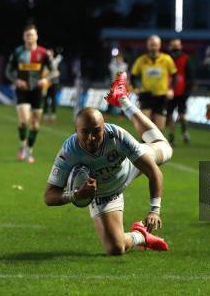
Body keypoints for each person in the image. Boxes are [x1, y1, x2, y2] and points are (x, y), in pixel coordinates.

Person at [44, 72, 173, 255]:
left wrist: (154, 210)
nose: (91, 138)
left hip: (129, 167)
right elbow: (49, 196)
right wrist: (76, 195)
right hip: (104, 193)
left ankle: (123, 100)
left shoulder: (117, 136)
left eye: (97, 131)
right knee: (115, 249)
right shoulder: (68, 152)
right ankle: (141, 235)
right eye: (85, 132)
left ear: (104, 128)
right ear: (76, 132)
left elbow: (154, 172)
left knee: (166, 150)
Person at [5, 24, 53, 163]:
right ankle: (22, 146)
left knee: (35, 124)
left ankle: (29, 151)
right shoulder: (18, 52)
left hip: (37, 91)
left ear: (36, 36)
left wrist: (46, 79)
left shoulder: (44, 53)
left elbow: (55, 71)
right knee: (24, 121)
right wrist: (16, 81)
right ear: (23, 37)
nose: (29, 37)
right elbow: (8, 71)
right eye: (27, 35)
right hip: (22, 91)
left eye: (32, 35)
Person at [131, 35, 177, 131]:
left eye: (155, 45)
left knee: (159, 127)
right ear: (148, 46)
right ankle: (144, 144)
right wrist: (135, 87)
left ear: (159, 46)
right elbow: (133, 76)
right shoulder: (141, 60)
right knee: (144, 124)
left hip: (162, 95)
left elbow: (174, 75)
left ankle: (155, 145)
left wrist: (171, 89)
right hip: (146, 95)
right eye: (151, 45)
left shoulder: (166, 59)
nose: (153, 47)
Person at [166, 39, 195, 146]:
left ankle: (184, 132)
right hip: (170, 92)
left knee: (181, 115)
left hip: (182, 92)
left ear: (180, 47)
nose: (175, 48)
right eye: (173, 46)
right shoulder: (167, 59)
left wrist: (188, 90)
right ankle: (171, 136)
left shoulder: (185, 59)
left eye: (177, 46)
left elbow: (191, 76)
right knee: (169, 115)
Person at [42, 48, 61, 123]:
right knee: (45, 99)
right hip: (46, 83)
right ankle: (45, 116)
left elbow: (57, 72)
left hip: (53, 83)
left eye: (50, 53)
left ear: (52, 53)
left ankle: (53, 116)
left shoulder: (54, 61)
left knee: (53, 99)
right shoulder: (44, 62)